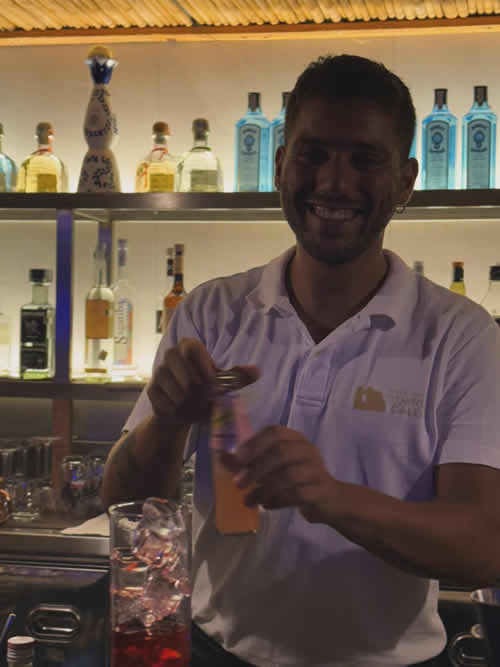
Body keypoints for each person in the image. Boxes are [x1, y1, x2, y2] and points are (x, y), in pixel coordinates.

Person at [102, 54, 500, 667]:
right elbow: (125, 506)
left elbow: (483, 547)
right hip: (215, 652)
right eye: (313, 154)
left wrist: (331, 496)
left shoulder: (461, 335)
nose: (335, 182)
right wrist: (167, 420)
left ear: (406, 182)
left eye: (365, 159)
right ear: (281, 165)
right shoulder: (211, 312)